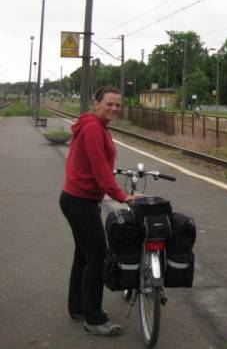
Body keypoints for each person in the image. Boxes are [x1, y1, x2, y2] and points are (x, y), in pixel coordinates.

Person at [59, 86, 139, 336]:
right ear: (97, 103)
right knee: (98, 257)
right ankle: (93, 318)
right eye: (109, 104)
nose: (114, 108)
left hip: (77, 199)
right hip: (80, 202)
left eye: (118, 104)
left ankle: (78, 307)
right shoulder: (94, 128)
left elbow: (96, 167)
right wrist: (123, 196)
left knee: (84, 256)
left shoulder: (96, 126)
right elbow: (100, 170)